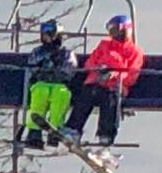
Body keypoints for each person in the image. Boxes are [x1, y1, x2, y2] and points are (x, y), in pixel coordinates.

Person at [62, 14, 143, 149]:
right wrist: (99, 70)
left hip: (115, 86)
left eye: (116, 30)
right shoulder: (104, 45)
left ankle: (106, 134)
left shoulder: (134, 51)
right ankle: (73, 129)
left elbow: (132, 74)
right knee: (85, 96)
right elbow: (90, 62)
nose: (114, 34)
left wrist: (115, 74)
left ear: (125, 30)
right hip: (96, 81)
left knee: (110, 100)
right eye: (112, 31)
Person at [21, 20, 75, 148]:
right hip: (41, 83)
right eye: (44, 34)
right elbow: (31, 67)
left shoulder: (66, 53)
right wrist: (42, 68)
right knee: (39, 93)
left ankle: (55, 129)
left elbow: (70, 69)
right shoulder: (37, 52)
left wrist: (57, 68)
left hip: (59, 84)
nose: (46, 37)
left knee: (60, 95)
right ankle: (34, 132)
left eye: (50, 34)